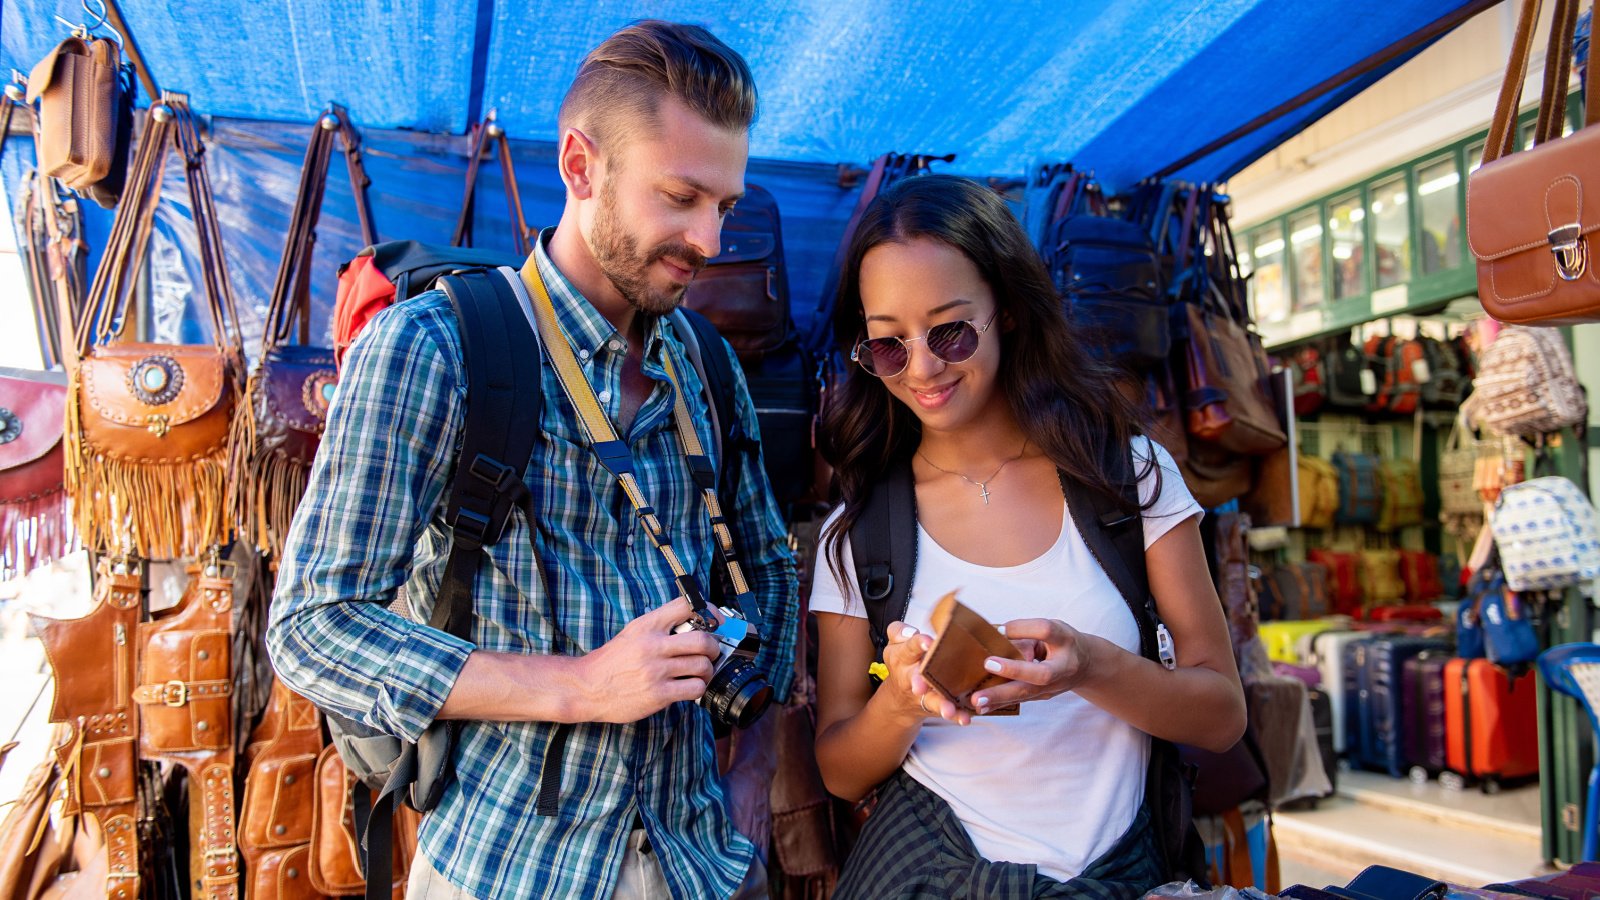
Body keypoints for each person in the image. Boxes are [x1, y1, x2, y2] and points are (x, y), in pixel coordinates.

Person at [267, 20, 797, 900]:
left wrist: (751, 774)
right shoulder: (434, 348)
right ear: (581, 166)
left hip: (699, 863)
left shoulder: (706, 362)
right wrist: (580, 686)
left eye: (726, 206)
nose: (709, 240)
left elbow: (770, 564)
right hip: (507, 870)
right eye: (680, 196)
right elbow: (312, 628)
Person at [809, 175, 1246, 898]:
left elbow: (1222, 716)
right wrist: (903, 703)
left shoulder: (1130, 479)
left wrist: (1092, 668)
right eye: (888, 346)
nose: (921, 368)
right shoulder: (857, 532)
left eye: (950, 330)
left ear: (1008, 310)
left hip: (1119, 876)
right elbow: (839, 767)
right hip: (926, 878)